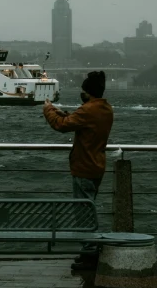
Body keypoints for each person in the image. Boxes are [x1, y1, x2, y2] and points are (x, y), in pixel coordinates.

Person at [43, 70, 113, 203]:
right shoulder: (106, 109)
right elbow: (86, 123)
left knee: (83, 213)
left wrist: (48, 109)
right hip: (97, 166)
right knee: (88, 207)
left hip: (84, 168)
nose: (81, 93)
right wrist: (64, 113)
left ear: (89, 92)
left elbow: (61, 125)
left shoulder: (87, 110)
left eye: (83, 91)